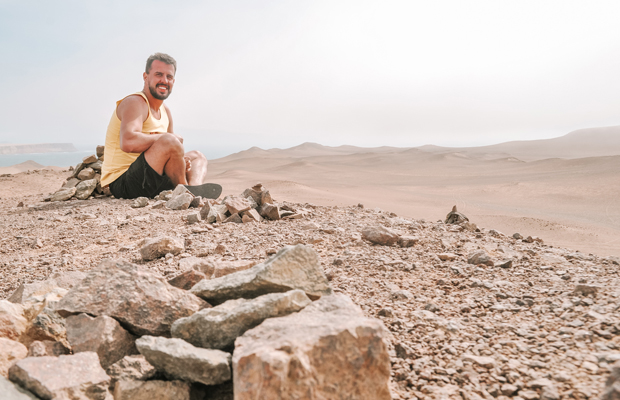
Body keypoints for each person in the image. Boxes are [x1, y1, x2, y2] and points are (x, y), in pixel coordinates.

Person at [100, 52, 220, 199]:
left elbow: (171, 150)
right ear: (145, 77)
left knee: (197, 156)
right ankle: (186, 195)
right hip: (124, 182)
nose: (164, 80)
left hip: (151, 177)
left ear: (173, 81)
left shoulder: (166, 111)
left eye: (169, 77)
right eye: (158, 74)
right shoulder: (135, 103)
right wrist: (168, 138)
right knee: (170, 140)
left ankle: (194, 190)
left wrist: (180, 161)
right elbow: (128, 142)